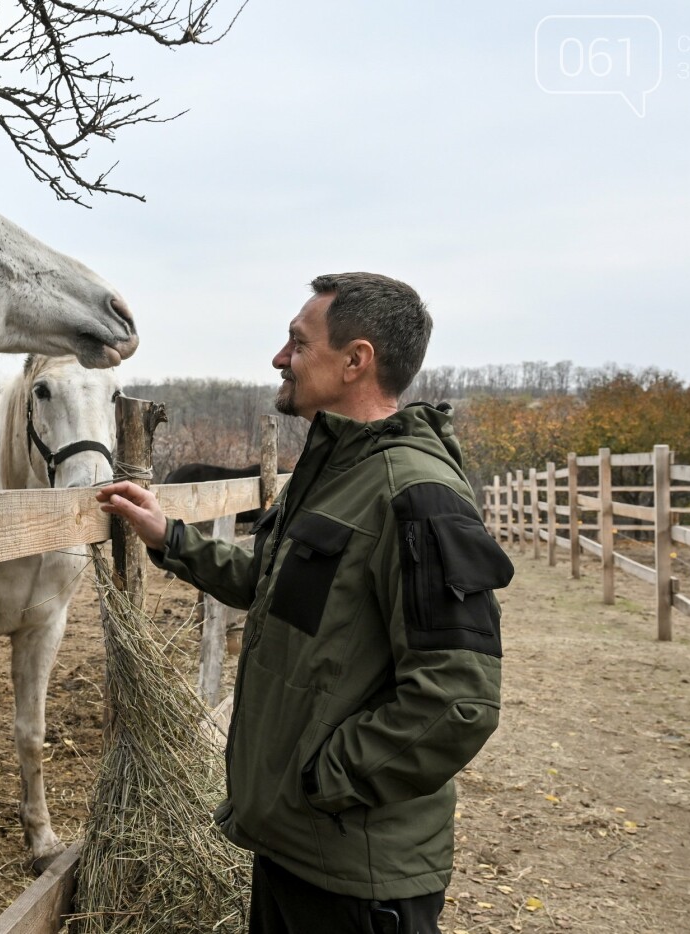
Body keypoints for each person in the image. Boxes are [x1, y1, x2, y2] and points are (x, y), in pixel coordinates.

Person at [97, 272, 513, 934]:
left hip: (355, 876)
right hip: (296, 848)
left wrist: (322, 780)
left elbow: (457, 700)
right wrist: (171, 537)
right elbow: (273, 584)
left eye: (297, 341)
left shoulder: (417, 494)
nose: (279, 358)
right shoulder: (336, 475)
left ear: (356, 361)